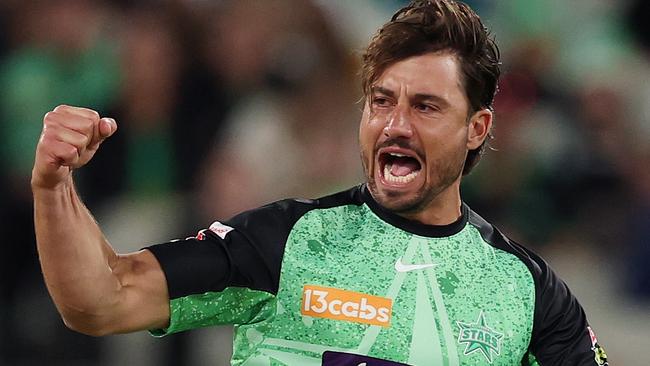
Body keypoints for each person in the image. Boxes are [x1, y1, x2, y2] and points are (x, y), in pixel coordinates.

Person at [31, 0, 608, 365]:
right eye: (381, 101)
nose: (395, 124)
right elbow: (100, 300)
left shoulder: (526, 290)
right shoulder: (284, 240)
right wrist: (53, 185)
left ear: (477, 128)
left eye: (426, 106)